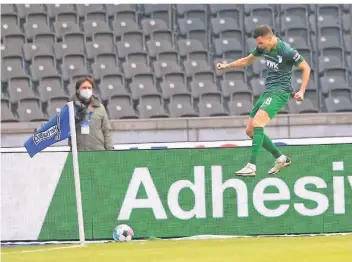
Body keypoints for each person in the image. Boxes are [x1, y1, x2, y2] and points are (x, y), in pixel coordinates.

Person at [217, 24, 311, 177]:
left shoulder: (286, 51)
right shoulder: (263, 48)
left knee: (257, 123)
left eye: (261, 43)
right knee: (250, 130)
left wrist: (301, 90)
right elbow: (246, 61)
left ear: (270, 38)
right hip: (268, 92)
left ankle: (251, 166)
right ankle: (281, 158)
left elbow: (306, 68)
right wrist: (226, 66)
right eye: (257, 44)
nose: (259, 46)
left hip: (280, 93)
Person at [70, 76, 113, 151]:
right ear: (77, 90)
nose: (87, 90)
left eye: (89, 88)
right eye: (84, 88)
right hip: (79, 153)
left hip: (99, 151)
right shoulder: (71, 107)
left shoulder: (100, 107)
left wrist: (110, 150)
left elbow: (106, 131)